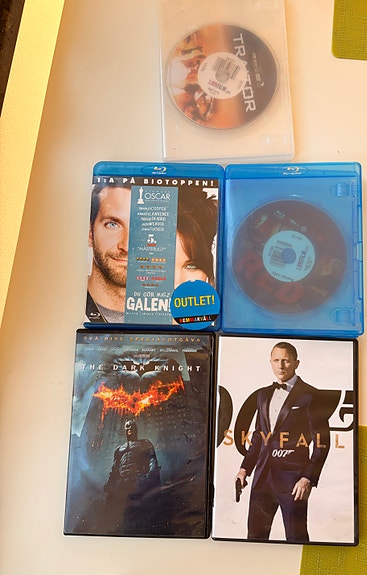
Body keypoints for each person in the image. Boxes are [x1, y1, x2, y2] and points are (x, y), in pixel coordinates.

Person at [235, 341, 330, 542]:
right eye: (276, 360)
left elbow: (322, 442)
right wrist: (244, 469)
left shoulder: (312, 395)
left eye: (285, 360)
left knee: (296, 538)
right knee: (254, 539)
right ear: (270, 362)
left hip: (293, 482)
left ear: (296, 363)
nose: (280, 365)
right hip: (262, 479)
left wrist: (307, 478)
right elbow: (259, 436)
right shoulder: (262, 395)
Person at [86, 181, 218, 322]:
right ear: (90, 233)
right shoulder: (75, 307)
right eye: (112, 225)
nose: (126, 246)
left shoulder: (193, 317)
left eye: (143, 227)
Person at [103, 419, 161, 533]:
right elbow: (115, 468)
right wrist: (110, 483)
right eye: (127, 427)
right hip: (121, 482)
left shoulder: (144, 443)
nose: (129, 428)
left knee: (140, 511)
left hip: (137, 480)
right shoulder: (119, 449)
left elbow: (152, 461)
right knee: (117, 513)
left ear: (136, 429)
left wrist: (149, 476)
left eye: (132, 426)